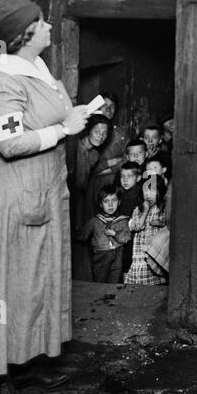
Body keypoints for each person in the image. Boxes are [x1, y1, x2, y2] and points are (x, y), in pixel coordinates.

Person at [0, 0, 88, 394]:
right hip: (18, 192)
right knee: (10, 283)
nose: (50, 26)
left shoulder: (38, 70)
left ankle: (28, 363)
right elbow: (10, 144)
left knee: (38, 278)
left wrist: (76, 117)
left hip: (46, 186)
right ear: (24, 36)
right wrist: (63, 130)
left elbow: (54, 118)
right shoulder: (4, 82)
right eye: (42, 22)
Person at [71, 113, 113, 281]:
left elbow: (94, 173)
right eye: (97, 132)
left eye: (105, 133)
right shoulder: (74, 149)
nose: (101, 136)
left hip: (80, 197)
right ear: (88, 131)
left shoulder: (94, 154)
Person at [125, 175, 169, 286]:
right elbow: (136, 226)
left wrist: (161, 223)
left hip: (153, 257)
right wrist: (145, 212)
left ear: (160, 192)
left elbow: (170, 225)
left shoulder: (163, 209)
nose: (148, 195)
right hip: (139, 256)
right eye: (146, 191)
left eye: (153, 191)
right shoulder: (138, 210)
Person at [83, 188, 132, 284]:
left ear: (119, 202)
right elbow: (83, 235)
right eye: (106, 201)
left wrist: (115, 234)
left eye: (114, 200)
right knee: (100, 280)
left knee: (115, 279)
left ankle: (111, 297)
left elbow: (127, 238)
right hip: (100, 255)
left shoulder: (123, 220)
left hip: (118, 254)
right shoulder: (94, 221)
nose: (110, 205)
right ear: (101, 204)